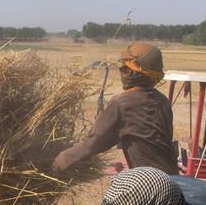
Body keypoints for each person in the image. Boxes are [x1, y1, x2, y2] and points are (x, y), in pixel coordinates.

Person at [52, 41, 177, 175]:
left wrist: (58, 163)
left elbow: (93, 144)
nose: (121, 71)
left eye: (125, 68)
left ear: (134, 74)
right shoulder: (163, 101)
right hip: (173, 177)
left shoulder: (122, 103)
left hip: (149, 183)